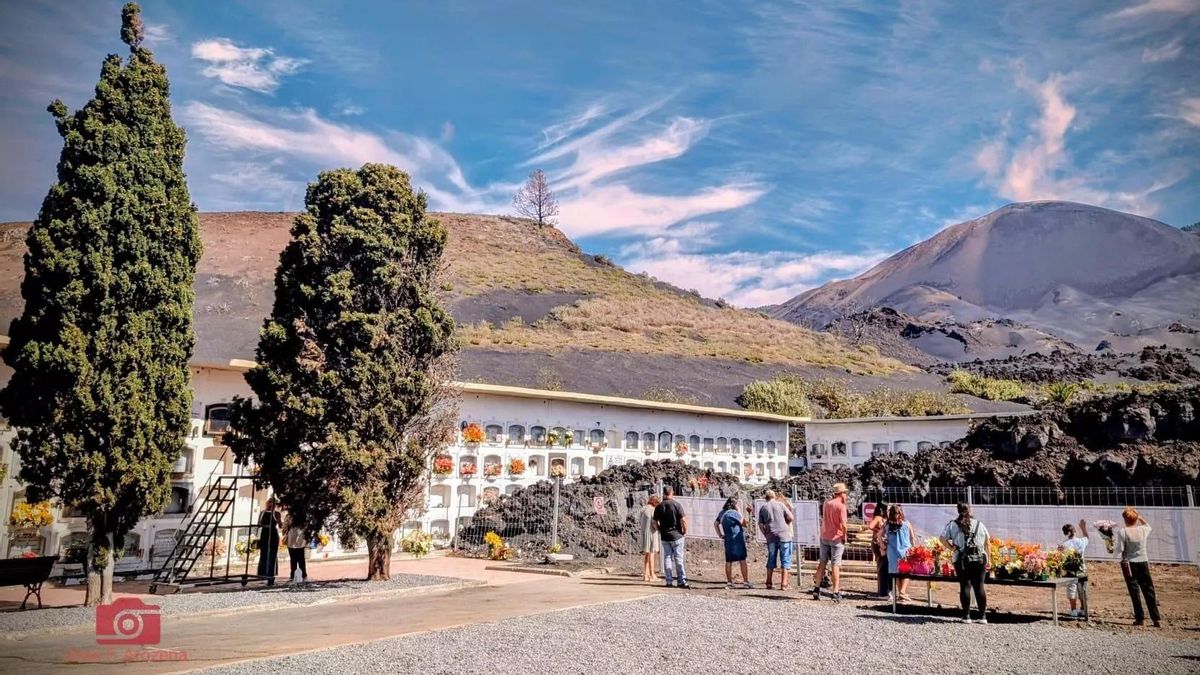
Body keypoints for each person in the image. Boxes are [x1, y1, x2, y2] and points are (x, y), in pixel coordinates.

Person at [940, 502, 990, 624]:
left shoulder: (952, 525)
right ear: (970, 510)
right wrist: (989, 559)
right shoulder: (979, 524)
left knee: (965, 586)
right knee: (979, 587)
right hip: (979, 558)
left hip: (962, 559)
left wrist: (952, 548)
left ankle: (966, 616)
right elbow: (987, 542)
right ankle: (983, 616)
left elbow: (942, 538)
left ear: (958, 511)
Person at [1114, 507, 1160, 627]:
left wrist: (1112, 549)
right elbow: (1148, 526)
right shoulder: (1143, 530)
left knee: (1134, 592)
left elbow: (1120, 549)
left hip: (1129, 564)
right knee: (1149, 590)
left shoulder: (1123, 532)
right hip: (1143, 561)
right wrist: (1139, 517)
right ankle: (1156, 618)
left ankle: (1140, 618)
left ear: (1125, 519)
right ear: (1135, 519)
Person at [811, 482, 848, 603]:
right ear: (842, 494)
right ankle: (835, 591)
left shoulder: (827, 503)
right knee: (835, 565)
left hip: (824, 536)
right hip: (836, 538)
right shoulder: (841, 507)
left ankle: (816, 588)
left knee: (822, 562)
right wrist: (844, 536)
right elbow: (843, 524)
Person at [652, 486, 688, 588]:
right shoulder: (677, 505)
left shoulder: (659, 506)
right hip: (677, 535)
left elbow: (654, 522)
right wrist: (685, 531)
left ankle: (669, 580)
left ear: (664, 493)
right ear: (672, 493)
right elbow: (684, 520)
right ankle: (681, 580)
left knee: (667, 558)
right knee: (678, 558)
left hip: (665, 536)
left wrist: (660, 530)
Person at [758, 490, 795, 590]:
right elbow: (791, 517)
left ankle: (769, 582)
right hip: (784, 536)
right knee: (785, 560)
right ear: (774, 496)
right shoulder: (781, 505)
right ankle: (784, 584)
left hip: (771, 537)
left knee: (771, 559)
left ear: (766, 498)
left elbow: (760, 524)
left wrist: (766, 534)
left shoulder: (763, 508)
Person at [714, 497, 751, 589]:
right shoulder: (734, 513)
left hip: (728, 538)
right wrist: (739, 511)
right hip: (738, 538)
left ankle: (729, 582)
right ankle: (745, 581)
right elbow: (743, 523)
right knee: (742, 560)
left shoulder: (722, 513)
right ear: (735, 504)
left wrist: (720, 535)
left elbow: (715, 523)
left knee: (728, 561)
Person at [1059, 518, 1089, 618]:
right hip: (1081, 568)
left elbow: (1060, 556)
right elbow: (1086, 537)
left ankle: (1073, 610)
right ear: (1074, 531)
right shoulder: (1081, 541)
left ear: (1065, 533)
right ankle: (1084, 609)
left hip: (1070, 570)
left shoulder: (1064, 544)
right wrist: (1083, 528)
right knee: (1082, 589)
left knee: (1072, 589)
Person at [886, 504, 916, 601]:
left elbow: (879, 534)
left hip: (892, 552)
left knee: (896, 573)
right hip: (905, 551)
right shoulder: (906, 523)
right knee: (907, 572)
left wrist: (883, 545)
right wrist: (914, 548)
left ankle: (901, 594)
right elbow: (912, 537)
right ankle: (902, 592)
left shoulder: (887, 525)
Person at [257, 498, 282, 585]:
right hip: (265, 533)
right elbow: (259, 524)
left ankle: (271, 575)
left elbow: (280, 524)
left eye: (273, 504)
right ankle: (263, 574)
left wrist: (278, 521)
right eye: (270, 503)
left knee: (272, 554)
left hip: (273, 534)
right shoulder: (263, 512)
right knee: (264, 553)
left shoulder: (276, 513)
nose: (272, 505)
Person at [867, 500, 889, 598]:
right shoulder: (878, 517)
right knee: (882, 566)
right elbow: (870, 526)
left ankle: (883, 590)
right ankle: (882, 591)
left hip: (880, 543)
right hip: (878, 543)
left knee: (883, 566)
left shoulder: (881, 518)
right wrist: (878, 531)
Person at [638, 495, 662, 582]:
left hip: (644, 533)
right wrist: (660, 530)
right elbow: (655, 523)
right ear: (655, 502)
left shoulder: (643, 509)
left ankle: (646, 574)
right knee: (652, 554)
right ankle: (652, 575)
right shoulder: (653, 510)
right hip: (652, 533)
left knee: (647, 554)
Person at [284, 513, 309, 583]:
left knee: (293, 559)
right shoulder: (303, 515)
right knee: (301, 559)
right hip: (301, 539)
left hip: (291, 538)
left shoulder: (289, 515)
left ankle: (293, 576)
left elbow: (285, 526)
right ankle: (304, 575)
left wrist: (284, 531)